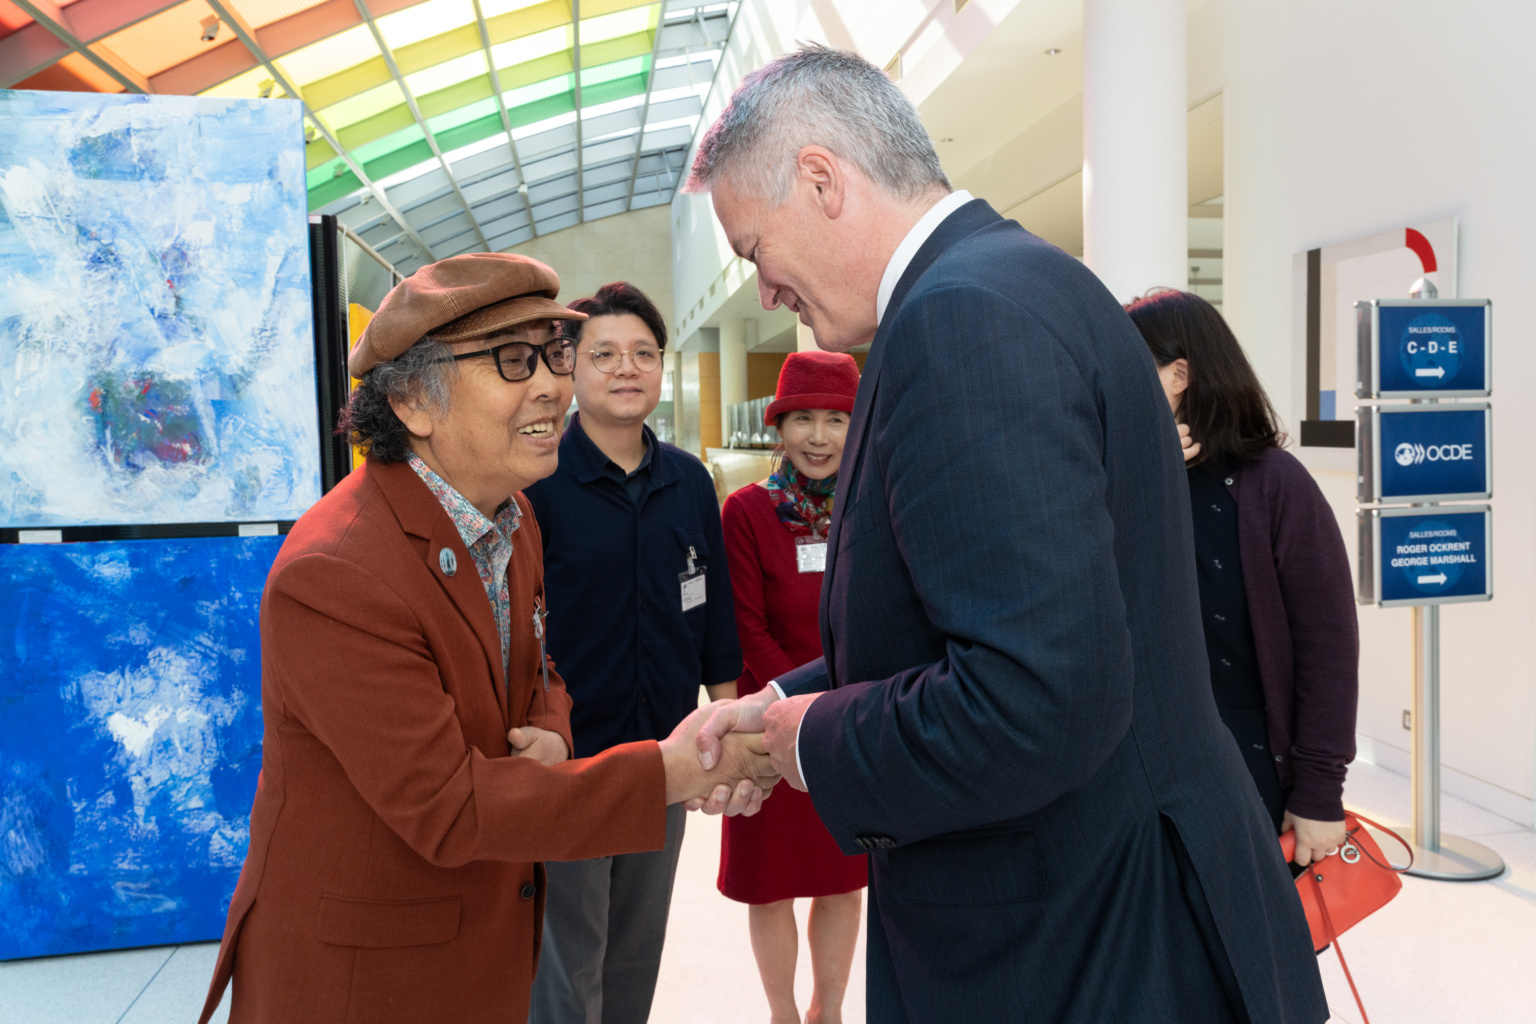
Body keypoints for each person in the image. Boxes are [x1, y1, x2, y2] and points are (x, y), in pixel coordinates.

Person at [687, 45, 1328, 1023]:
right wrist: (780, 702)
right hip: (1115, 912)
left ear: (821, 181)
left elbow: (1034, 699)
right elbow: (1001, 618)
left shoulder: (964, 322)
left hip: (1083, 943)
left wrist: (812, 736)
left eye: (753, 250)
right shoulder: (1022, 282)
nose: (765, 290)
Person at [196, 254, 775, 1024]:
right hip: (370, 978)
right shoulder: (336, 573)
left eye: (553, 354)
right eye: (513, 360)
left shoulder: (510, 516)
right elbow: (446, 806)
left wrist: (552, 732)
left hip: (483, 937)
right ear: (411, 399)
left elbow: (541, 670)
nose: (551, 387)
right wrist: (672, 771)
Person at [524, 281, 743, 1024]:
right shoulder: (539, 484)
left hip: (663, 758)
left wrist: (727, 731)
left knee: (636, 951)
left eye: (644, 353)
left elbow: (713, 616)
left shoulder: (688, 481)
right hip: (573, 765)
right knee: (569, 962)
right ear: (571, 368)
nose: (627, 368)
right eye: (605, 354)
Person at [1126, 289, 1358, 866]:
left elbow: (1328, 645)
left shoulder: (1274, 485)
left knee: (1262, 950)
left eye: (1132, 367)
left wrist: (1321, 791)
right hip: (1142, 775)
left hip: (1253, 768)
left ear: (1179, 375)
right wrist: (1137, 477)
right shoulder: (1124, 480)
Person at [719, 351, 868, 1024]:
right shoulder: (747, 511)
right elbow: (746, 625)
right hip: (767, 724)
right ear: (778, 427)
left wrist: (832, 707)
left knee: (843, 879)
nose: (817, 436)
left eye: (835, 419)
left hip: (853, 723)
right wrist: (794, 702)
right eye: (802, 418)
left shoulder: (873, 507)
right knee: (769, 885)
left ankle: (827, 1011)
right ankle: (782, 1014)